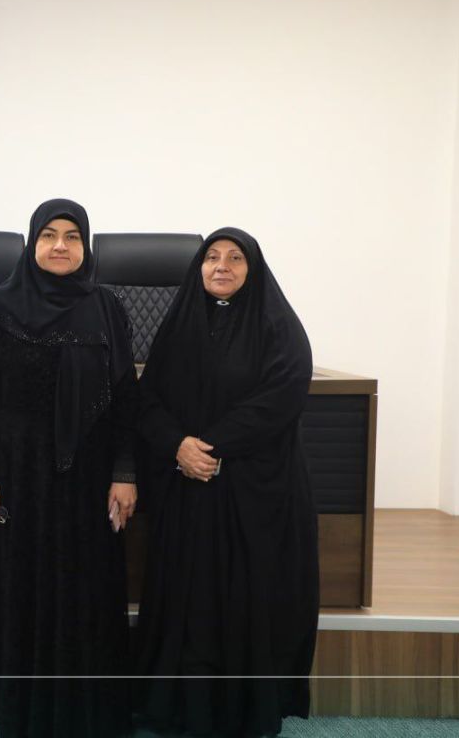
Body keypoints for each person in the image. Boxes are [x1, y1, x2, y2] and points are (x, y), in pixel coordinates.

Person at [0, 199, 139, 738]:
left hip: (89, 476)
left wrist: (125, 472)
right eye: (48, 235)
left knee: (86, 589)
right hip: (19, 477)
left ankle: (86, 712)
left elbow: (126, 400)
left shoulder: (109, 307)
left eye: (72, 236)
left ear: (86, 245)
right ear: (32, 242)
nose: (60, 245)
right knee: (21, 588)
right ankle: (21, 711)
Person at [136, 227, 318, 738]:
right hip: (188, 490)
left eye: (235, 258)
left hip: (254, 492)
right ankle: (179, 708)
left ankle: (245, 711)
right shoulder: (179, 326)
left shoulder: (278, 326)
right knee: (189, 600)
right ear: (198, 267)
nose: (222, 266)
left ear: (252, 269)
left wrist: (209, 448)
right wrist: (178, 446)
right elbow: (147, 400)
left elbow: (281, 396)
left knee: (245, 600)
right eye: (212, 256)